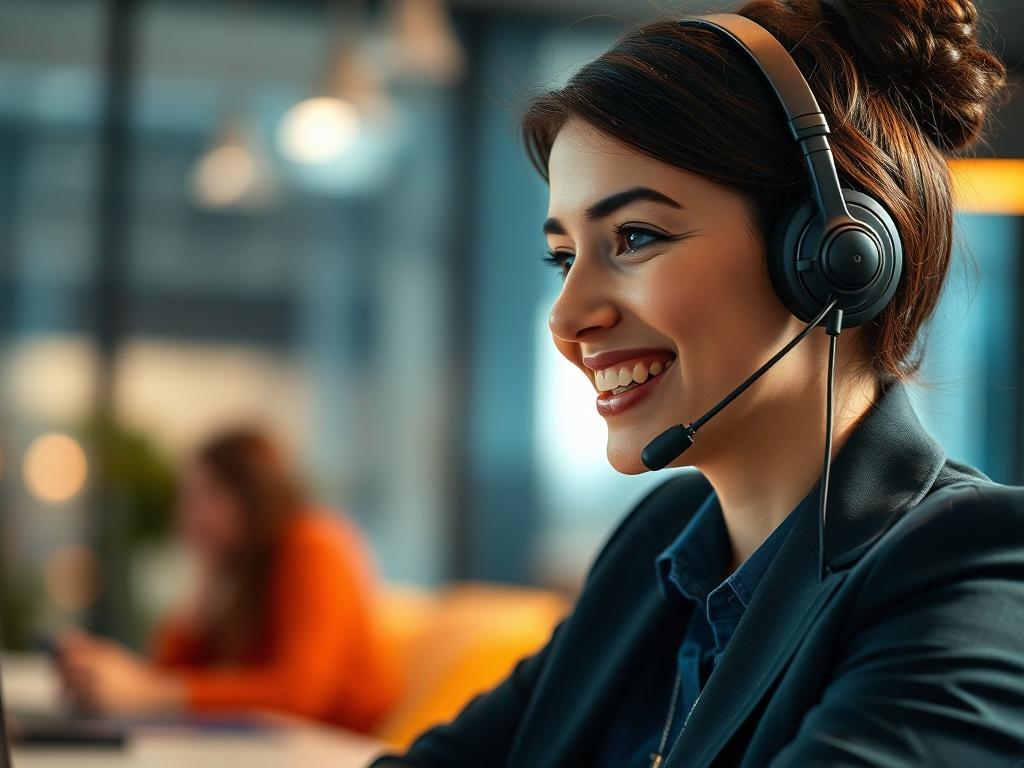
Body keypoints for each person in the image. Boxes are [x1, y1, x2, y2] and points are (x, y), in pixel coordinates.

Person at [370, 1, 1024, 766]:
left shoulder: (973, 572)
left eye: (635, 238)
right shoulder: (661, 552)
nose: (567, 316)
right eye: (562, 256)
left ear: (831, 256)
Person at [58, 429, 399, 732]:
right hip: (273, 745)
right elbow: (171, 673)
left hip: (338, 746)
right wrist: (202, 585)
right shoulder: (241, 569)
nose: (186, 518)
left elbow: (300, 694)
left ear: (249, 495)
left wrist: (149, 691)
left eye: (201, 497)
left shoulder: (315, 546)